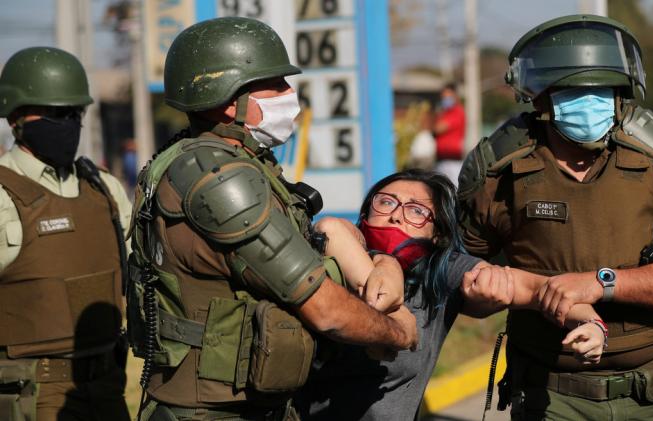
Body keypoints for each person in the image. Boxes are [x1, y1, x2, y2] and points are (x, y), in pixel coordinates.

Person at [126, 17, 418, 421]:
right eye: (276, 84)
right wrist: (398, 332)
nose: (290, 94)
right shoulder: (219, 179)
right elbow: (326, 310)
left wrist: (382, 262)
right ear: (230, 101)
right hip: (212, 411)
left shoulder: (210, 159)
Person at [458, 15, 653, 420]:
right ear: (541, 96)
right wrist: (485, 293)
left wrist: (601, 284)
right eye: (572, 90)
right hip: (548, 393)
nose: (589, 102)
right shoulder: (499, 169)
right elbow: (462, 270)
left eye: (601, 89)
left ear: (622, 92)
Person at [296, 169, 608, 421]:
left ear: (438, 233)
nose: (395, 216)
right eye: (386, 202)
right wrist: (382, 266)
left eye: (416, 211)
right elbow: (332, 228)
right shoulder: (330, 256)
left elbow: (540, 290)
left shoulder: (444, 270)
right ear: (365, 213)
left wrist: (591, 324)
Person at [0, 47, 133, 420]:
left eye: (76, 113)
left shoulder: (103, 188)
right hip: (31, 394)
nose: (69, 123)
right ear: (15, 118)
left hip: (108, 386)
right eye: (56, 113)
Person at [433, 83, 466, 185]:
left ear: (455, 96)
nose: (445, 99)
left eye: (448, 96)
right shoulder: (444, 113)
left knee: (453, 191)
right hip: (441, 159)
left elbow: (438, 128)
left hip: (452, 160)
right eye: (443, 97)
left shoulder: (457, 112)